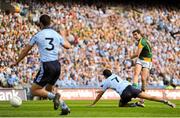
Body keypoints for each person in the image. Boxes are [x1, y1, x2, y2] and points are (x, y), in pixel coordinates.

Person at [11, 14, 71, 115]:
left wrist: (17, 61)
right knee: (48, 90)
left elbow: (26, 50)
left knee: (34, 90)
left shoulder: (38, 35)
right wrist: (63, 35)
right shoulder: (56, 34)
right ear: (50, 22)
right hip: (57, 65)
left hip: (47, 65)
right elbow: (68, 46)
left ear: (41, 23)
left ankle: (56, 97)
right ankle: (64, 107)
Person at [90, 69, 175, 108]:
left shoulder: (106, 81)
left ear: (104, 76)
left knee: (121, 105)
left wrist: (93, 103)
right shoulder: (115, 75)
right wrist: (100, 91)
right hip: (131, 88)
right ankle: (166, 101)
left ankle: (135, 104)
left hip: (124, 93)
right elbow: (112, 85)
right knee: (149, 97)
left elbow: (101, 94)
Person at [130, 29, 153, 107]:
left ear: (140, 34)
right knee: (136, 73)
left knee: (143, 79)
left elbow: (137, 54)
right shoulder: (143, 40)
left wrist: (130, 57)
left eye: (136, 34)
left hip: (147, 61)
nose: (135, 36)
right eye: (134, 35)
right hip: (141, 59)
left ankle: (142, 99)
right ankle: (134, 90)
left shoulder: (142, 41)